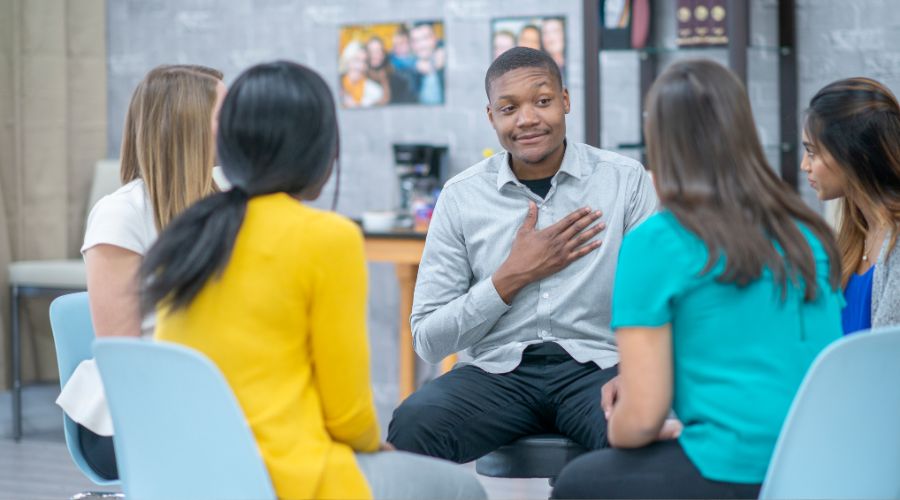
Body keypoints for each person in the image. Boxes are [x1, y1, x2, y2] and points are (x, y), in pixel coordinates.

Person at [140, 61, 486, 500]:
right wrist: (369, 445)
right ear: (317, 148)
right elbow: (346, 415)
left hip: (186, 475)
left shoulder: (189, 230)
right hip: (284, 478)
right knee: (462, 489)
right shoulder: (328, 237)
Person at [552, 59, 844, 499]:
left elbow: (645, 415)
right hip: (817, 467)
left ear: (662, 144)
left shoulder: (658, 242)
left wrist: (626, 428)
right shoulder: (807, 232)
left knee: (578, 480)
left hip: (732, 470)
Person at [387, 47, 659, 463]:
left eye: (543, 101)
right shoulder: (461, 197)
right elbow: (428, 340)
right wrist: (510, 278)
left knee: (645, 429)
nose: (527, 118)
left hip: (599, 369)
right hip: (495, 377)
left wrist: (640, 375)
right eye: (509, 108)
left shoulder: (624, 182)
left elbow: (655, 301)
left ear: (565, 101)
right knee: (413, 425)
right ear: (491, 116)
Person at [55, 64, 225, 481]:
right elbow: (126, 362)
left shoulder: (223, 203)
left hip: (209, 397)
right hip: (127, 416)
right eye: (227, 113)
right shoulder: (121, 215)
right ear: (190, 125)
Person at [801, 77, 900, 334]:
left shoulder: (895, 245)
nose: (805, 165)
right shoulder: (854, 234)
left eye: (812, 153)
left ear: (853, 154)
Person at [339, 40, 384, 108]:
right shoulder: (337, 85)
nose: (360, 66)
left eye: (364, 61)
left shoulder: (375, 91)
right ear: (347, 60)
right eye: (356, 60)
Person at [409, 22, 445, 105]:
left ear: (435, 38)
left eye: (425, 38)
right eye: (415, 40)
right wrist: (414, 64)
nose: (421, 45)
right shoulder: (409, 70)